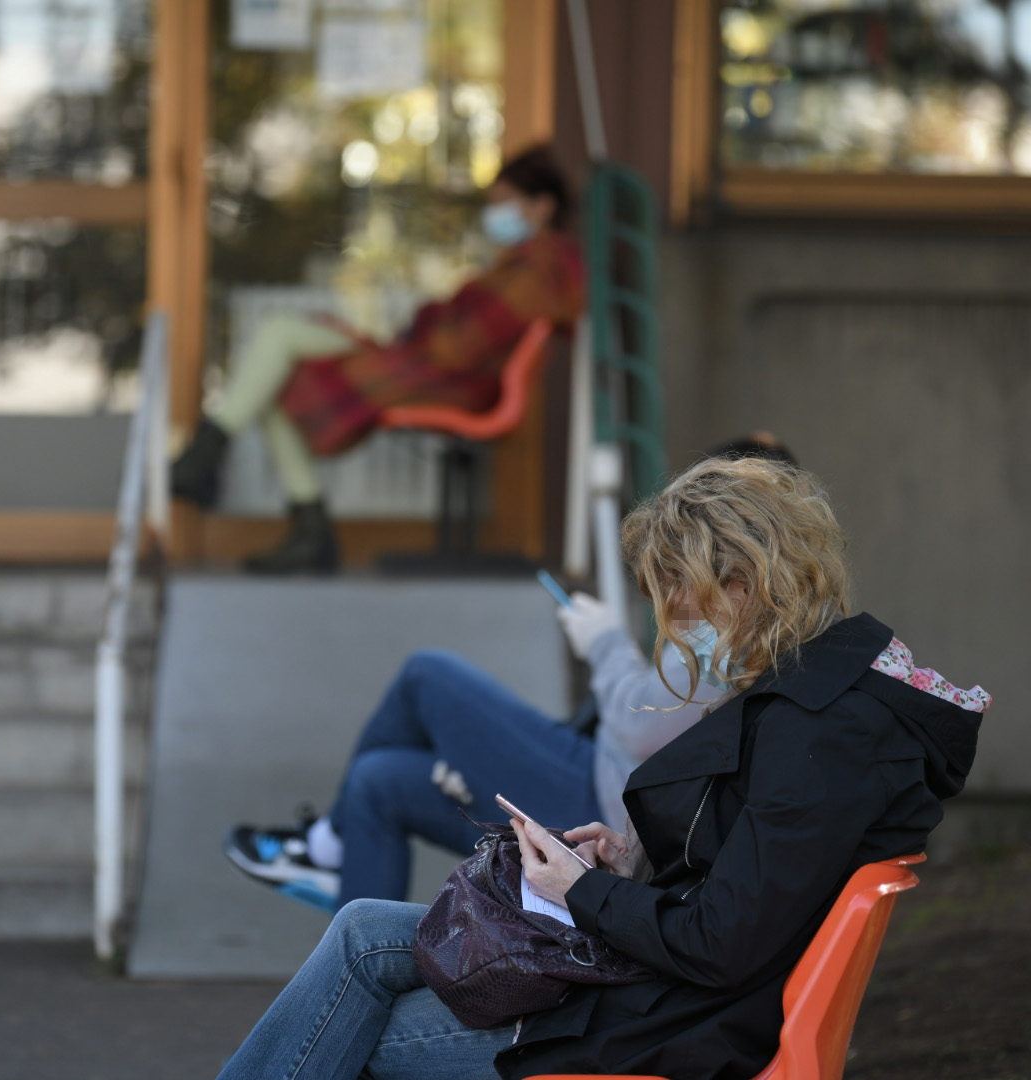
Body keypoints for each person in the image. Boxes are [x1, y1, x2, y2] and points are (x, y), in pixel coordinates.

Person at [213, 456, 988, 1080]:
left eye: (681, 602)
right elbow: (753, 884)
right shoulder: (829, 696)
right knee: (361, 930)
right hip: (673, 990)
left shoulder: (818, 731)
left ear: (743, 588)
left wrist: (582, 893)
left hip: (675, 1025)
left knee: (358, 1031)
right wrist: (631, 866)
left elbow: (723, 940)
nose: (675, 626)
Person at [223, 435, 800, 914]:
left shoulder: (740, 630)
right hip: (603, 787)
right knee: (377, 782)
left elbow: (638, 725)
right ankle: (355, 951)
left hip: (604, 811)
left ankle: (327, 847)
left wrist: (604, 642)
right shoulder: (745, 618)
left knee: (428, 674)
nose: (671, 589)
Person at [170, 146, 585, 574]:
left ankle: (210, 466)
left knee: (279, 347)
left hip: (444, 378)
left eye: (504, 203)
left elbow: (458, 348)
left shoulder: (538, 269)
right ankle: (287, 514)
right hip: (428, 367)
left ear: (542, 206)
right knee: (277, 365)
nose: (494, 215)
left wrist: (417, 331)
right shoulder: (527, 264)